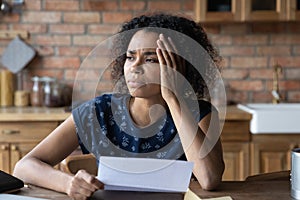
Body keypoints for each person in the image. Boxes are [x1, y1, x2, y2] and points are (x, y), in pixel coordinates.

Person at [13, 12, 225, 199]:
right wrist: (68, 183)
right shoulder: (99, 111)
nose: (134, 67)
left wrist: (173, 98)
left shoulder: (202, 114)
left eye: (150, 59)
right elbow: (24, 167)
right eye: (130, 57)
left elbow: (209, 179)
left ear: (180, 66)